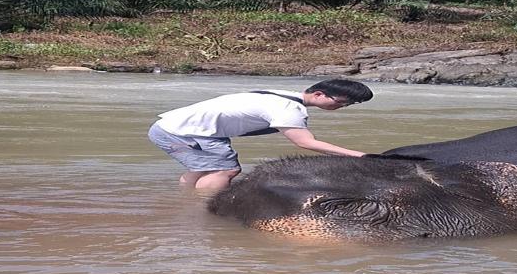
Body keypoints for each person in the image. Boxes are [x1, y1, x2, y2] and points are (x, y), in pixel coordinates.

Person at [148, 79, 373, 192]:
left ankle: (186, 201)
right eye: (342, 102)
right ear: (319, 94)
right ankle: (204, 208)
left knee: (203, 168)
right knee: (226, 169)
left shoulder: (282, 95)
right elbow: (305, 143)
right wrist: (360, 156)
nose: (344, 107)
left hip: (169, 127)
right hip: (185, 132)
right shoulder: (289, 109)